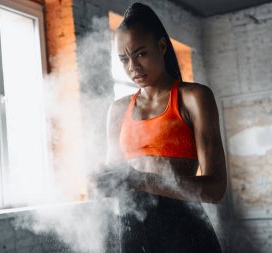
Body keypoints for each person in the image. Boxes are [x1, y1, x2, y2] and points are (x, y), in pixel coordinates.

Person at [95, 2, 227, 252]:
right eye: (124, 59)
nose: (132, 67)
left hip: (184, 233)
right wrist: (101, 180)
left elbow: (215, 190)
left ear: (162, 46)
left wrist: (141, 179)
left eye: (141, 53)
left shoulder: (193, 97)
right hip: (132, 232)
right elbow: (116, 181)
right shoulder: (118, 110)